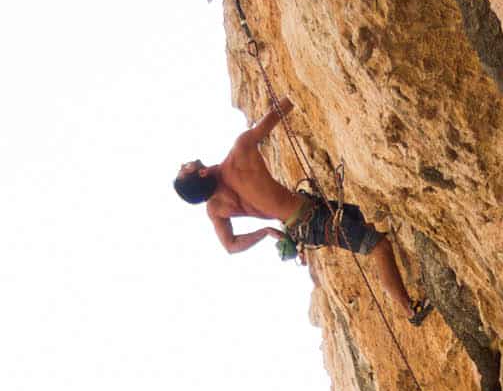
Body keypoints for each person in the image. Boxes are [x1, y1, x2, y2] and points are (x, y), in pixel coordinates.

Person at [173, 97, 431, 324]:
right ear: (202, 172)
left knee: (368, 226)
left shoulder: (216, 209)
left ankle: (405, 297)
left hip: (304, 225)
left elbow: (231, 246)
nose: (184, 163)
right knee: (378, 247)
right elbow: (277, 113)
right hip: (314, 218)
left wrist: (265, 231)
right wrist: (295, 88)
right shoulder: (240, 152)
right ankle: (410, 311)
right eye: (185, 168)